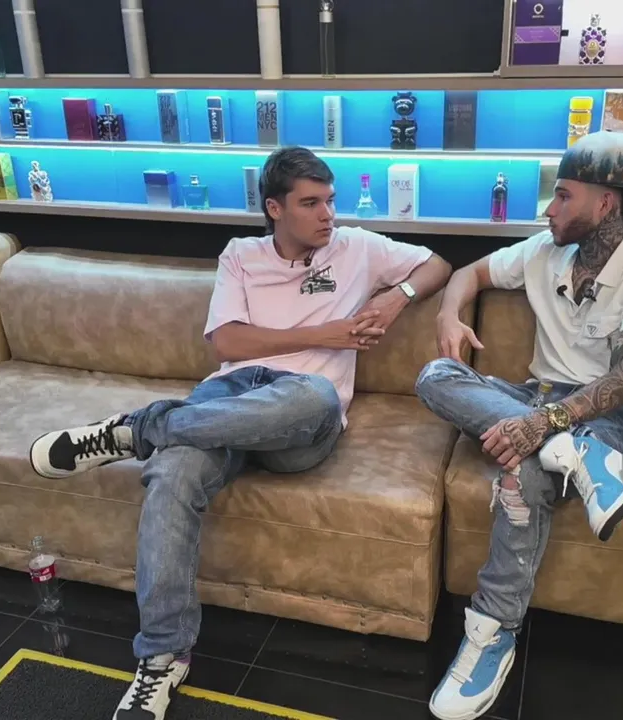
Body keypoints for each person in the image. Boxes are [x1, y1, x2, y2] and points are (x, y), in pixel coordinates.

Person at [28, 147, 451, 720]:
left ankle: (138, 431)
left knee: (315, 395)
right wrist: (324, 333)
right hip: (231, 397)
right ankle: (162, 657)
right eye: (311, 203)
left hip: (302, 413)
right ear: (275, 208)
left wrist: (396, 297)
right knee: (173, 472)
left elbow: (437, 265)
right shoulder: (241, 255)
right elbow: (226, 344)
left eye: (330, 200)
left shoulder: (358, 247)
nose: (328, 214)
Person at [416, 131, 623, 720]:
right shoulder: (545, 250)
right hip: (537, 399)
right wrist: (448, 315)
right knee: (436, 376)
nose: (549, 209)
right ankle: (575, 452)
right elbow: (469, 273)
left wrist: (544, 424)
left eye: (563, 195)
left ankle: (491, 634)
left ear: (606, 203)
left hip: (621, 416)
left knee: (524, 473)